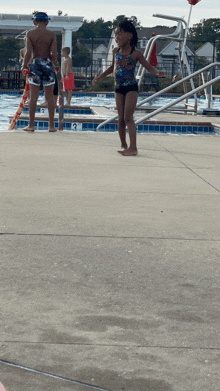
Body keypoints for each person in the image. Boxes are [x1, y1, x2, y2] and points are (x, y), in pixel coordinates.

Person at [92, 18, 165, 156]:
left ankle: (133, 147)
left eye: (120, 34)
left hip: (131, 87)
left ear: (129, 35)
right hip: (118, 88)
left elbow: (148, 67)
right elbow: (112, 68)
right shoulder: (115, 52)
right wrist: (100, 77)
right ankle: (124, 145)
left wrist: (157, 73)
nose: (117, 37)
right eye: (115, 35)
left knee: (128, 117)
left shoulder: (136, 54)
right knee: (120, 118)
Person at [22, 12, 58, 132]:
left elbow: (28, 53)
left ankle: (31, 125)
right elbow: (54, 54)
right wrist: (53, 60)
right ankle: (51, 126)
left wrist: (24, 66)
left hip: (35, 65)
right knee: (50, 98)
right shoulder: (51, 34)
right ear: (47, 22)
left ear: (34, 21)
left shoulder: (30, 34)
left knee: (33, 97)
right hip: (47, 65)